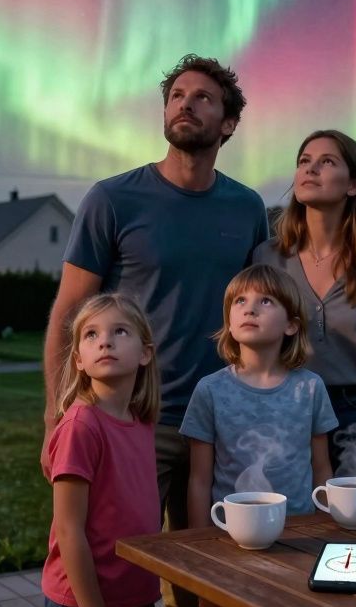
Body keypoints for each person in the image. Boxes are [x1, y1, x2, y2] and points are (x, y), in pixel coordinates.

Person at [40, 54, 268, 537]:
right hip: (135, 414)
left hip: (220, 417)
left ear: (228, 123)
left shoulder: (248, 208)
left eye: (202, 98)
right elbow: (68, 312)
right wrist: (55, 413)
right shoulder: (112, 199)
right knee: (121, 552)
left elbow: (260, 310)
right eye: (176, 96)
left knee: (212, 559)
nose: (185, 104)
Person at [252, 129, 356, 468]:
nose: (310, 169)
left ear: (353, 185)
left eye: (326, 162)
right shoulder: (267, 257)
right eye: (304, 161)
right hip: (287, 411)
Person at [182, 264, 337, 520]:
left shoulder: (311, 388)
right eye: (240, 301)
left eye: (265, 301)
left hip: (299, 531)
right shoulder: (209, 390)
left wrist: (323, 530)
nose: (250, 309)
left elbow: (322, 471)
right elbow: (199, 480)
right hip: (230, 531)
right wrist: (199, 538)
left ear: (291, 325)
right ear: (229, 323)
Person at [41, 294, 162, 607]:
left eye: (120, 331)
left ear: (145, 353)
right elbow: (68, 530)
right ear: (79, 360)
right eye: (91, 334)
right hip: (83, 599)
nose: (105, 342)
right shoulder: (81, 427)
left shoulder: (142, 421)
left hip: (136, 594)